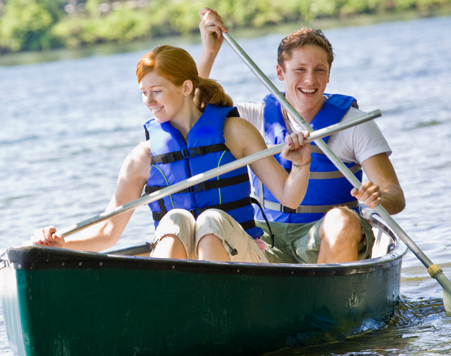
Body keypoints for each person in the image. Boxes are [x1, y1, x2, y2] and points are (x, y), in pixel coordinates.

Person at [32, 44, 312, 263]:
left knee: (211, 220)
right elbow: (108, 233)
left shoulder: (235, 131)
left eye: (156, 91)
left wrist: (301, 164)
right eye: (143, 93)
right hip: (184, 272)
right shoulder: (142, 158)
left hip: (244, 264)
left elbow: (289, 198)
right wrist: (62, 244)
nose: (148, 102)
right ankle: (171, 305)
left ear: (186, 87)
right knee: (174, 220)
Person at [197, 8, 406, 264]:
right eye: (299, 69)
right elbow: (194, 110)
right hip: (266, 238)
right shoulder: (253, 117)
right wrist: (209, 52)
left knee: (340, 220)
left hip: (327, 237)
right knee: (211, 224)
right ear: (280, 73)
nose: (310, 79)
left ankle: (324, 301)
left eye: (319, 70)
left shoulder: (354, 124)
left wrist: (379, 198)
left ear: (329, 75)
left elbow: (395, 195)